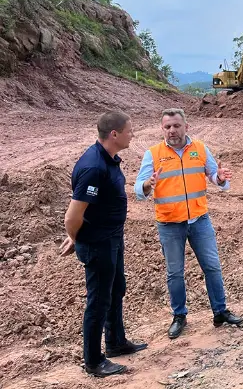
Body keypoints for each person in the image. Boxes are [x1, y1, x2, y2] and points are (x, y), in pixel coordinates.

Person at [134, 108, 243, 339]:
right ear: (162, 129)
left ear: (186, 127)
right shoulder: (153, 154)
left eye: (176, 126)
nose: (172, 131)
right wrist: (148, 184)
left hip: (199, 220)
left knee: (212, 267)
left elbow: (214, 175)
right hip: (169, 223)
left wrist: (219, 178)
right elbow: (138, 190)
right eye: (167, 127)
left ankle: (220, 312)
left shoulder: (200, 149)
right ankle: (179, 316)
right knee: (175, 273)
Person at [60, 111, 147, 378]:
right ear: (114, 134)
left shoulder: (109, 159)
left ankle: (116, 341)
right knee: (98, 301)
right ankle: (93, 361)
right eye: (129, 130)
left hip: (112, 238)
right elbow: (72, 215)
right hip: (98, 243)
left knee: (116, 289)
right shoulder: (94, 167)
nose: (133, 135)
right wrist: (76, 237)